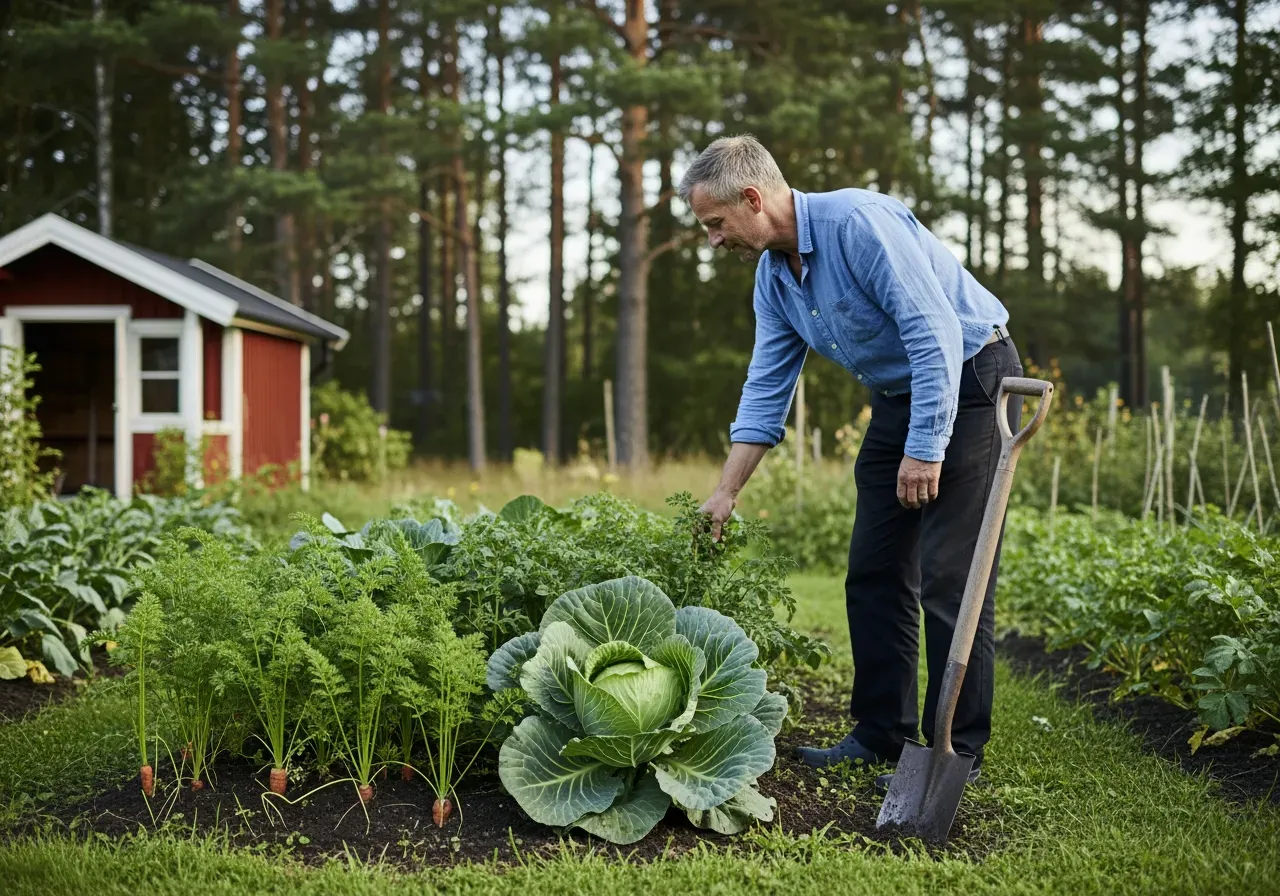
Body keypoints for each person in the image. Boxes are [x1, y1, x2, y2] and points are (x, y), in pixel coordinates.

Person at [680, 135, 1022, 792]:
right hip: (900, 397)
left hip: (974, 382)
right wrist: (726, 490)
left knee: (954, 575)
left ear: (752, 198)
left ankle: (957, 750)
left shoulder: (857, 222)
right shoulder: (775, 278)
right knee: (874, 567)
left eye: (716, 224)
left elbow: (934, 334)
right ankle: (879, 735)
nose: (714, 240)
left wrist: (927, 448)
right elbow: (767, 386)